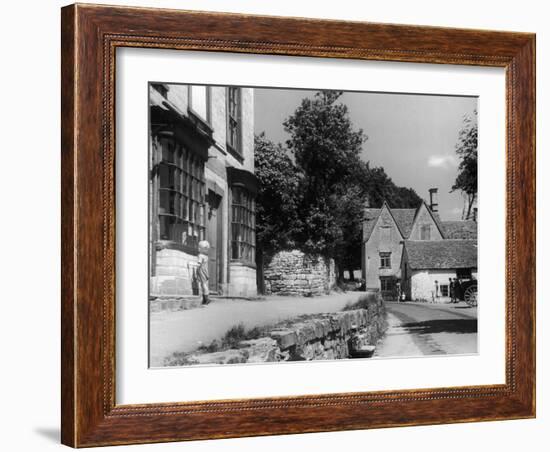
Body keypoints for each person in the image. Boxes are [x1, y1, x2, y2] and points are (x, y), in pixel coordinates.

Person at [197, 240, 210, 305]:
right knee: (205, 284)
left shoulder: (200, 255)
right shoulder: (206, 256)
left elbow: (199, 264)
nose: (198, 248)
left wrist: (195, 265)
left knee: (203, 284)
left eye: (199, 247)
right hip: (205, 271)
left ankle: (206, 299)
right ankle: (205, 298)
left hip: (201, 270)